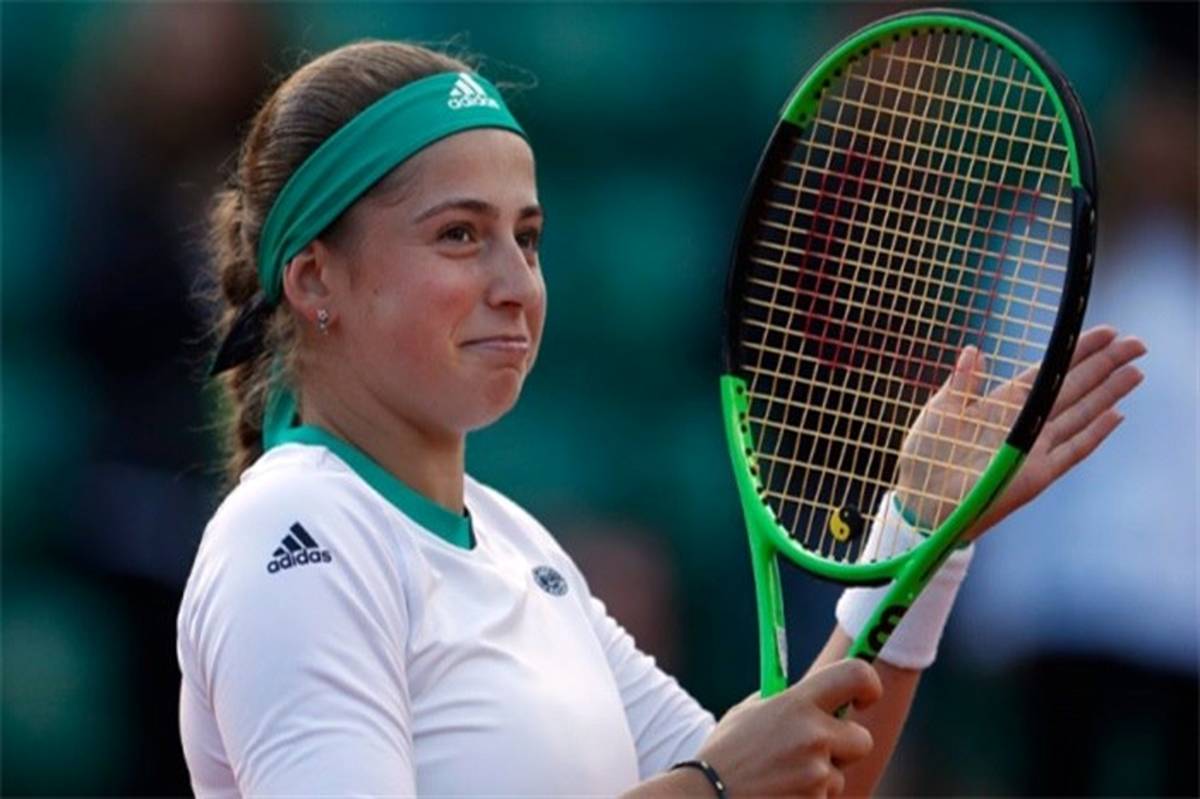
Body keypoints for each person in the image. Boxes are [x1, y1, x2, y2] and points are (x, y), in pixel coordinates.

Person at [176, 40, 1146, 797]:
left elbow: (795, 785)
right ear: (315, 280)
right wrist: (711, 785)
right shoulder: (295, 534)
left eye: (529, 237)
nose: (517, 284)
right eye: (460, 235)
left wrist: (921, 535)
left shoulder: (521, 548)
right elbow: (728, 780)